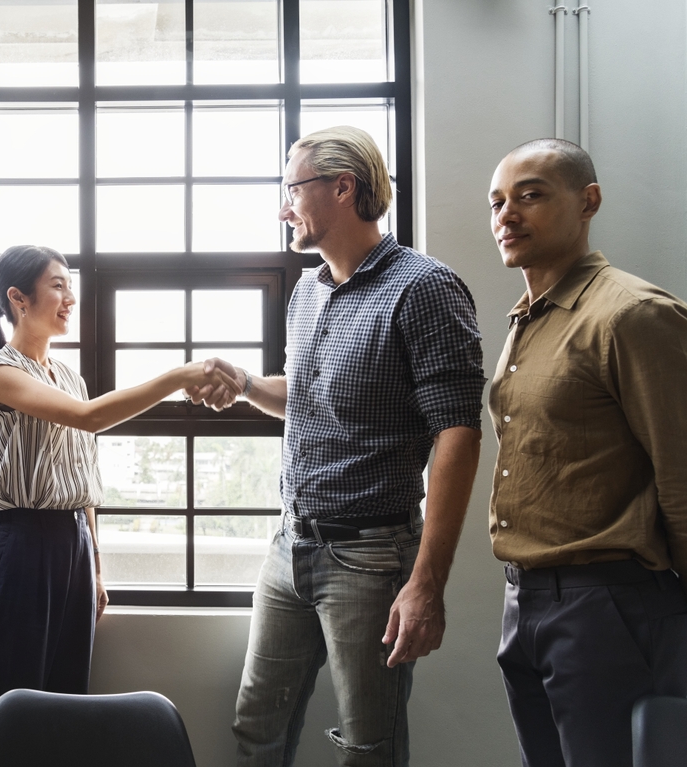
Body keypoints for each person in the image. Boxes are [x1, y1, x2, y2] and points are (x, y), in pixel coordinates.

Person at [191, 126, 485, 766]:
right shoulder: (310, 288)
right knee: (255, 730)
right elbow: (307, 394)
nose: (283, 207)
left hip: (372, 557)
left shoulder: (423, 288)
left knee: (368, 747)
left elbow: (458, 432)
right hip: (289, 545)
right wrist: (243, 384)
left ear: (343, 187)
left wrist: (427, 583)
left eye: (292, 189)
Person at [486, 138, 687, 767]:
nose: (507, 215)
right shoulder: (528, 319)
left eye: (531, 195)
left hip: (610, 606)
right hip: (527, 602)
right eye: (496, 202)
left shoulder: (632, 315)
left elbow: (682, 479)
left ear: (588, 201)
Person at [0, 244, 237, 711]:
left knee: (68, 698)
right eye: (58, 285)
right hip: (22, 546)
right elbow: (89, 419)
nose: (70, 296)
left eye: (70, 285)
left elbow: (82, 474)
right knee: (16, 702)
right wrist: (178, 376)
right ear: (18, 298)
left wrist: (94, 564)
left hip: (72, 542)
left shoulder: (69, 377)